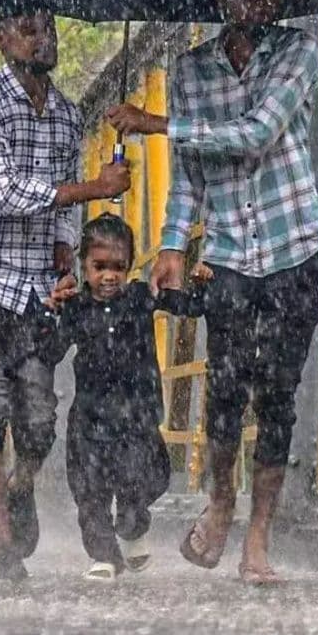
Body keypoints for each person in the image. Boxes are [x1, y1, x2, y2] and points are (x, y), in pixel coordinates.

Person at [106, 0, 318, 585]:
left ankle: (259, 539)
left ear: (278, 0)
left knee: (277, 399)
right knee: (225, 394)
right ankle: (223, 501)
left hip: (293, 247)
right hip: (227, 252)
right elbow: (190, 177)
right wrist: (174, 243)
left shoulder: (299, 53)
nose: (249, 1)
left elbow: (257, 132)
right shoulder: (191, 69)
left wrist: (157, 123)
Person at [0, 1, 131, 582]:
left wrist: (67, 245)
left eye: (50, 26)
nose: (43, 38)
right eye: (28, 29)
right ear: (0, 38)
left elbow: (61, 215)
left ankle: (19, 488)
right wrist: (97, 186)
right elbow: (10, 192)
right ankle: (3, 547)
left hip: (30, 283)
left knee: (41, 420)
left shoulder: (68, 116)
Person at [38, 214, 204, 583]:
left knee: (144, 478)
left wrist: (200, 283)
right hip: (91, 420)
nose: (109, 277)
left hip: (138, 416)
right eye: (99, 267)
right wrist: (49, 311)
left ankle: (132, 526)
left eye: (118, 267)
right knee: (90, 492)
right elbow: (49, 351)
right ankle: (103, 556)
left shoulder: (140, 298)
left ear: (130, 268)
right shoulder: (76, 307)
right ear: (83, 266)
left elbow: (187, 306)